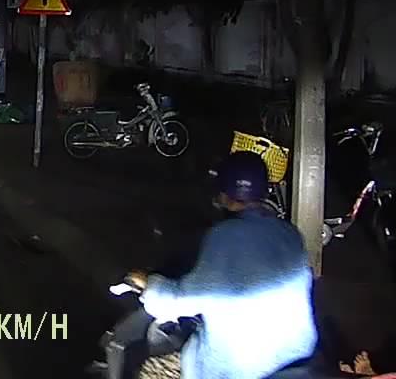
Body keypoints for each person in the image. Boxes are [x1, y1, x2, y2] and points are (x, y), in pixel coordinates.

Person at [126, 151, 317, 379]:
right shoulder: (289, 233)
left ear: (223, 195)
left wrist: (150, 285)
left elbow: (182, 301)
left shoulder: (224, 236)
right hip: (297, 357)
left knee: (152, 370)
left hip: (245, 369)